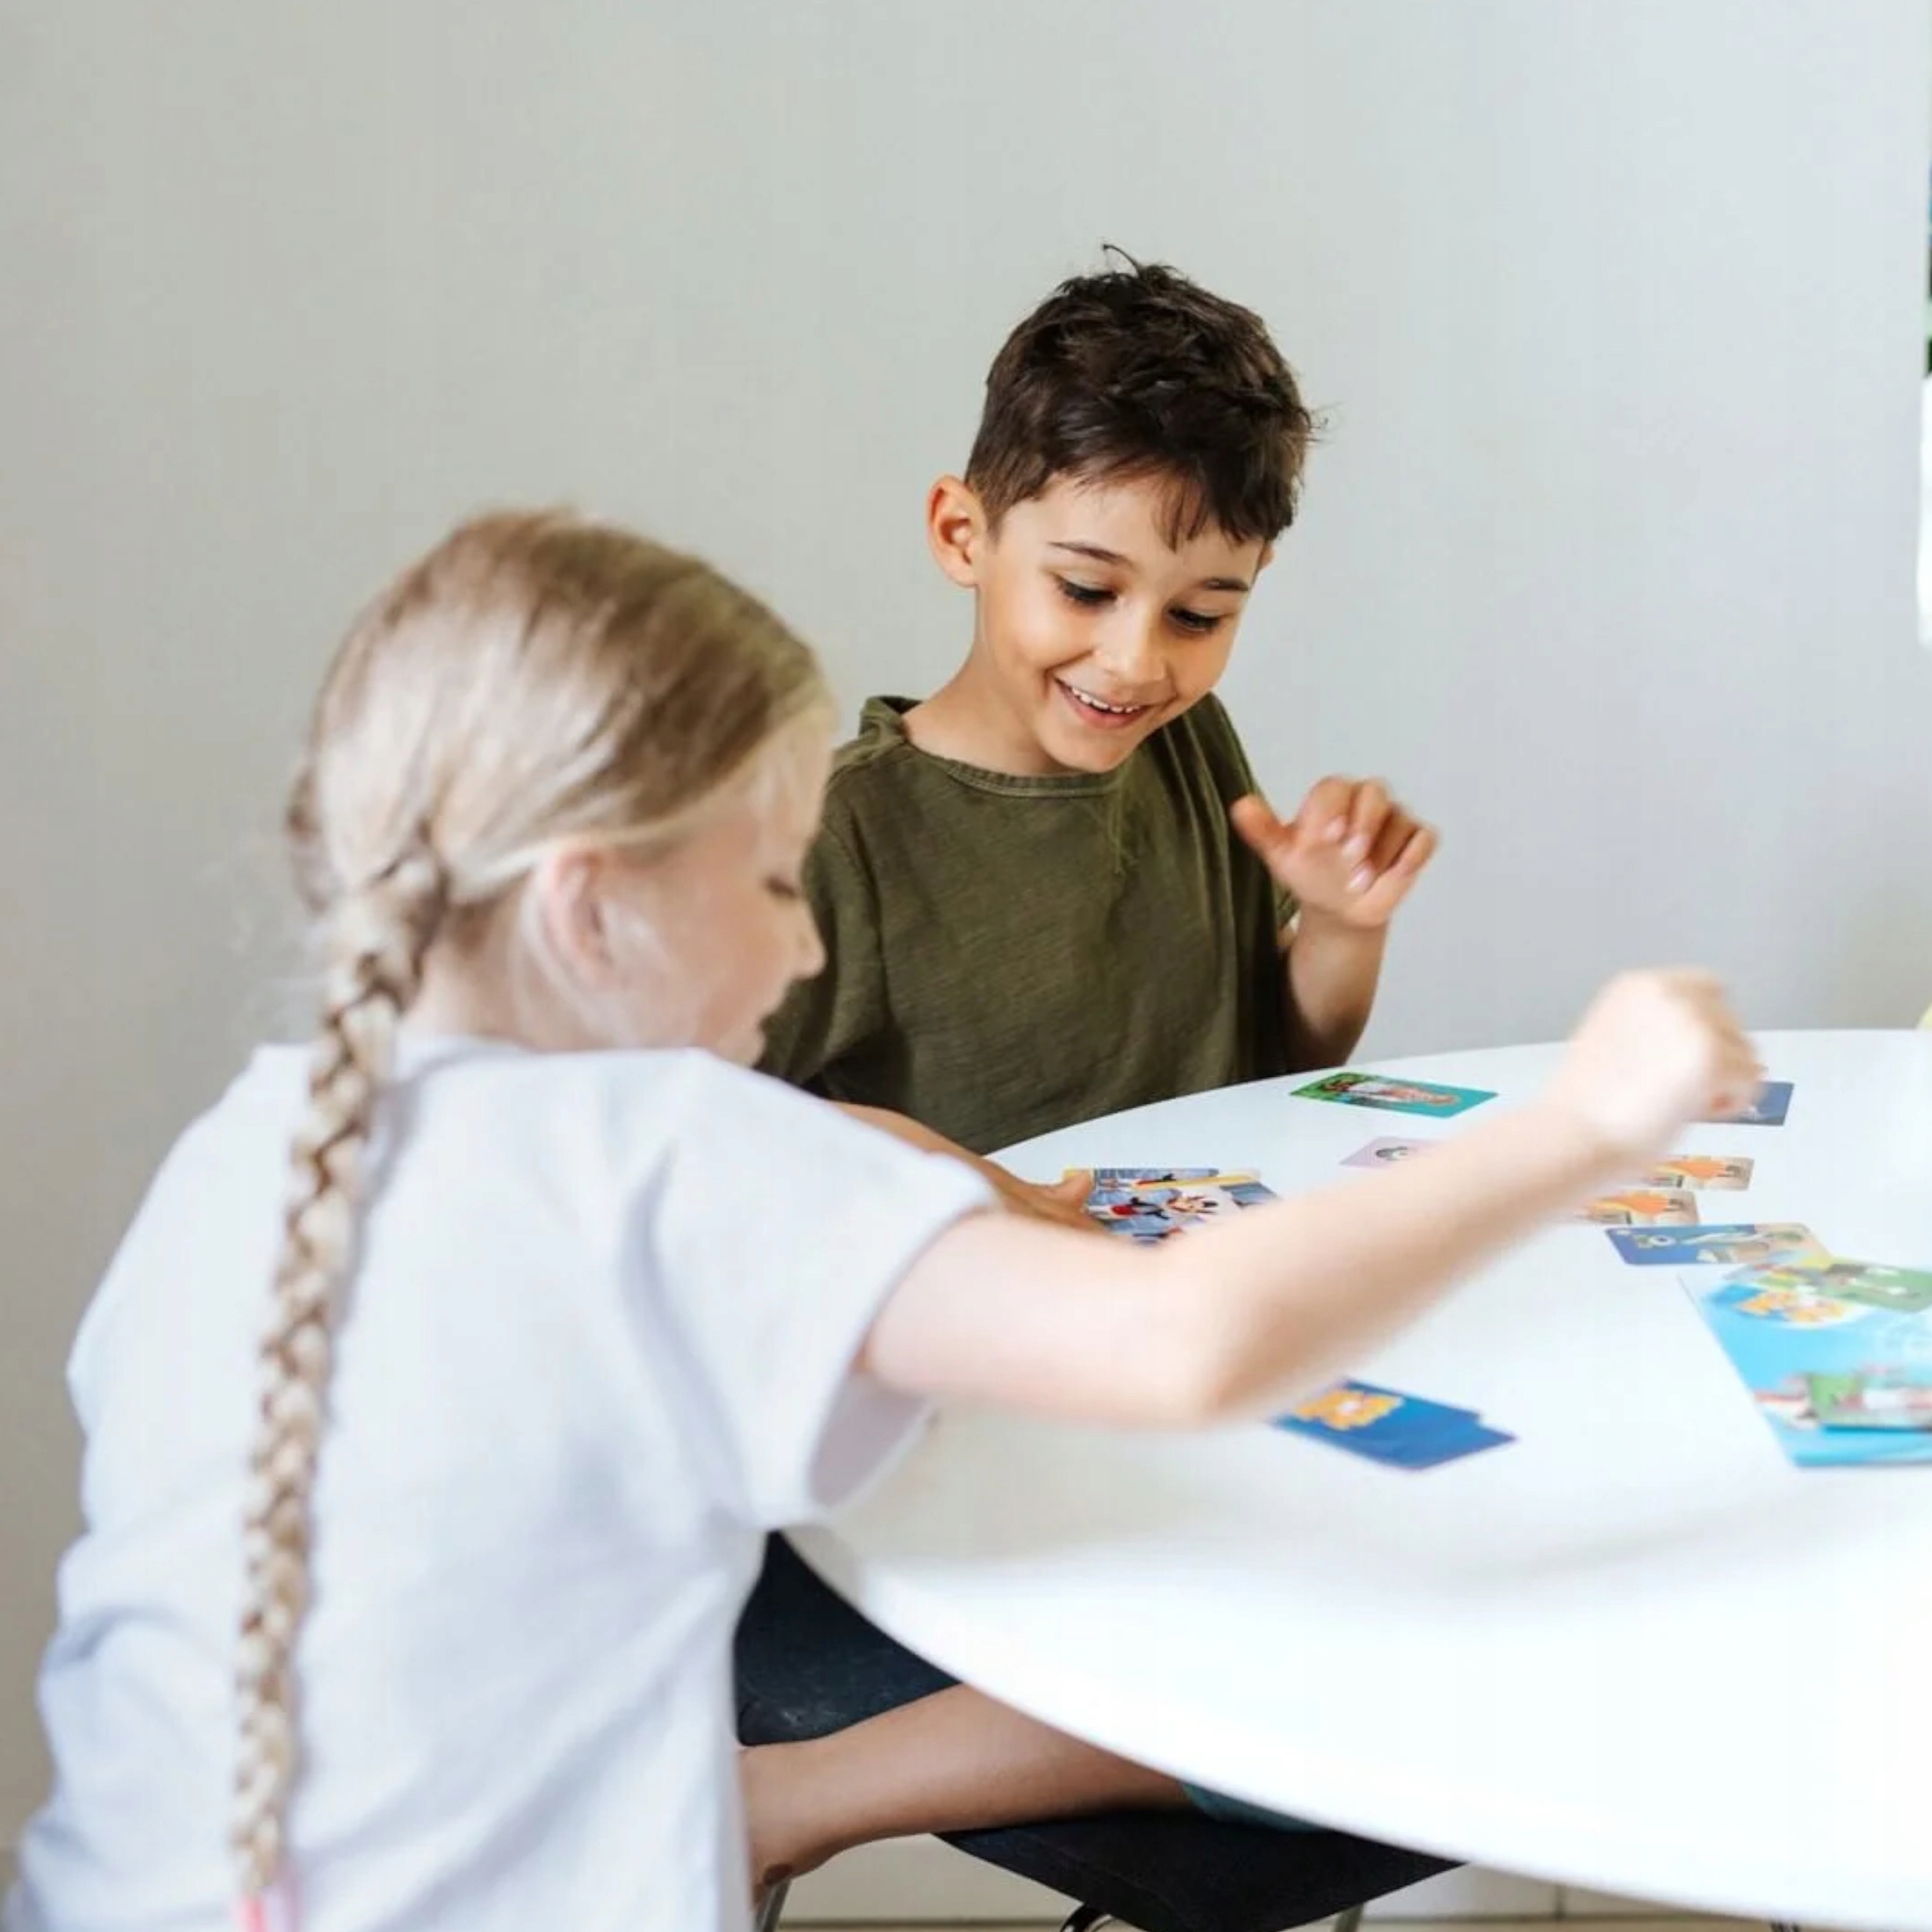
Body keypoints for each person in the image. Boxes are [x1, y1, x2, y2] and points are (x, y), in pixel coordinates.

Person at [4, 510, 1760, 1932]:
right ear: (587, 906)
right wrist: (1585, 1119)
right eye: (774, 879)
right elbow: (1181, 1338)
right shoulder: (664, 1154)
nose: (800, 944)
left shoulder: (239, 1158)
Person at [746, 253, 1440, 1874]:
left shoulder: (1187, 752)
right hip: (962, 1441)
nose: (1137, 662)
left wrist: (1342, 926)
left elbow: (1277, 1062)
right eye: (1085, 589)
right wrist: (933, 1169)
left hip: (1189, 1389)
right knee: (1328, 1697)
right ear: (961, 534)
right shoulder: (836, 836)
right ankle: (778, 1799)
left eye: (1201, 614)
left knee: (1452, 1628)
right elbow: (685, 1151)